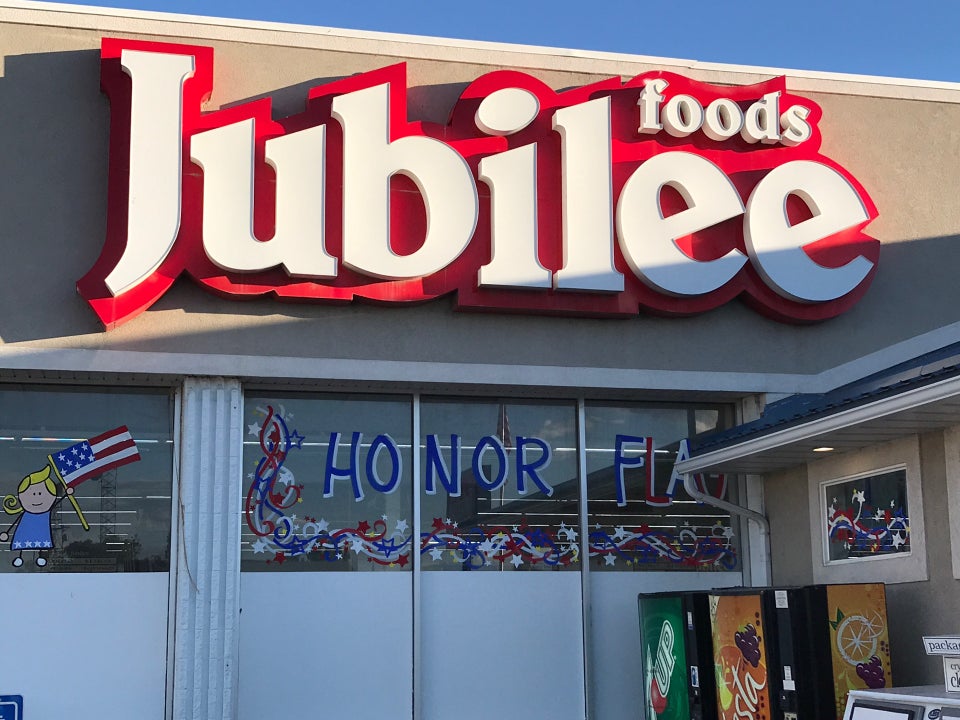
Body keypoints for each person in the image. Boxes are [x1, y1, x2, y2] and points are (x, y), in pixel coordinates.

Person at [0, 465, 73, 568]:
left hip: (41, 534)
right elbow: (16, 521)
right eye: (32, 493)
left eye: (40, 493)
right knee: (22, 543)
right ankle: (20, 557)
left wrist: (67, 493)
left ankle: (40, 556)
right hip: (25, 533)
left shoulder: (46, 512)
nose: (36, 496)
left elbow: (57, 502)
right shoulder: (26, 513)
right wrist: (6, 533)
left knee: (41, 544)